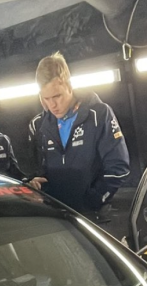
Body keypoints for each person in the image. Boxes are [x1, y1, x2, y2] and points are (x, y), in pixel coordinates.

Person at [28, 51, 130, 217]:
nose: (52, 104)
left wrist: (94, 200)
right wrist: (34, 183)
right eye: (46, 98)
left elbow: (119, 168)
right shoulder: (38, 125)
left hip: (92, 216)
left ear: (69, 86)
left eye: (57, 96)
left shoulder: (99, 114)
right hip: (56, 216)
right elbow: (40, 171)